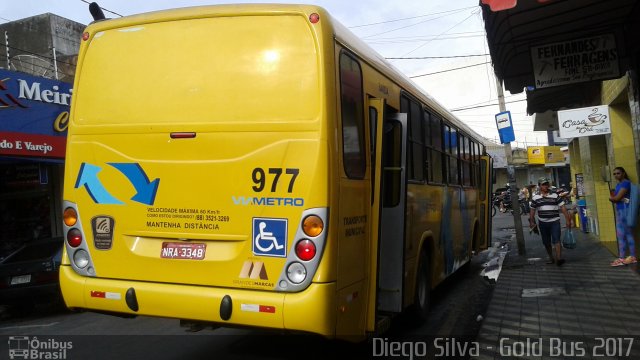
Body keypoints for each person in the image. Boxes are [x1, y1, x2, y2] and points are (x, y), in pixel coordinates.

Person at [529, 177, 572, 265]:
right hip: (543, 223)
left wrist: (568, 220)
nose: (546, 186)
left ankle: (559, 258)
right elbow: (532, 211)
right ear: (539, 186)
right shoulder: (535, 197)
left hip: (555, 222)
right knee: (546, 242)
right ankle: (551, 258)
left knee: (557, 240)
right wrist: (532, 222)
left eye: (546, 184)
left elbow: (563, 208)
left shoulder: (555, 195)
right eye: (543, 184)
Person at [608, 167, 637, 266]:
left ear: (623, 173)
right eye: (614, 174)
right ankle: (621, 257)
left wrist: (611, 198)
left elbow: (616, 198)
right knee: (620, 235)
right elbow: (616, 198)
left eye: (618, 173)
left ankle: (632, 257)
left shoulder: (626, 183)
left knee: (628, 234)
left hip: (625, 211)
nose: (616, 175)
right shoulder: (618, 185)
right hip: (620, 211)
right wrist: (613, 198)